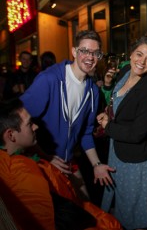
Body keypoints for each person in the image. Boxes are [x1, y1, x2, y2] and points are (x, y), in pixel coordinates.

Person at [0, 99, 127, 230]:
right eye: (29, 124)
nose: (36, 126)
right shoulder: (20, 173)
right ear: (11, 135)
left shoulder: (18, 161)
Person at [20, 30, 114, 199]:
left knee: (86, 209)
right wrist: (44, 156)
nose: (90, 57)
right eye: (84, 50)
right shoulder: (49, 79)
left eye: (95, 53)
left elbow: (86, 133)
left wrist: (97, 164)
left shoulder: (93, 91)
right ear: (74, 51)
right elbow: (18, 122)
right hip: (42, 164)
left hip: (68, 162)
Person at [97, 36, 147, 230]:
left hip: (136, 159)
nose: (142, 62)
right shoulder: (124, 72)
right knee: (118, 201)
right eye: (140, 54)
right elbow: (115, 103)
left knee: (139, 210)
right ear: (131, 54)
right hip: (116, 150)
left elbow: (138, 133)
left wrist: (108, 126)